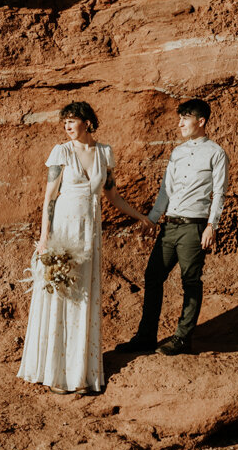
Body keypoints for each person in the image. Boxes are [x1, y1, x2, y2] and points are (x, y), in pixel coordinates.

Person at [17, 101, 155, 394]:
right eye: (64, 121)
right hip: (64, 228)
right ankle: (56, 374)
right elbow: (49, 199)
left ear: (88, 122)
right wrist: (45, 239)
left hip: (89, 232)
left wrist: (140, 215)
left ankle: (80, 373)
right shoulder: (61, 152)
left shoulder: (105, 153)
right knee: (62, 293)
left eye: (72, 120)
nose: (67, 126)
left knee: (83, 295)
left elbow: (112, 196)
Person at [118, 98, 228, 356]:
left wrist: (212, 226)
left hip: (194, 227)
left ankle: (182, 338)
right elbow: (165, 190)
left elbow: (219, 193)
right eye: (179, 118)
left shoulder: (216, 152)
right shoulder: (177, 152)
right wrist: (153, 219)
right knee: (153, 276)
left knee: (190, 281)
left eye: (185, 118)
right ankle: (146, 337)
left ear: (201, 121)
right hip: (170, 226)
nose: (179, 123)